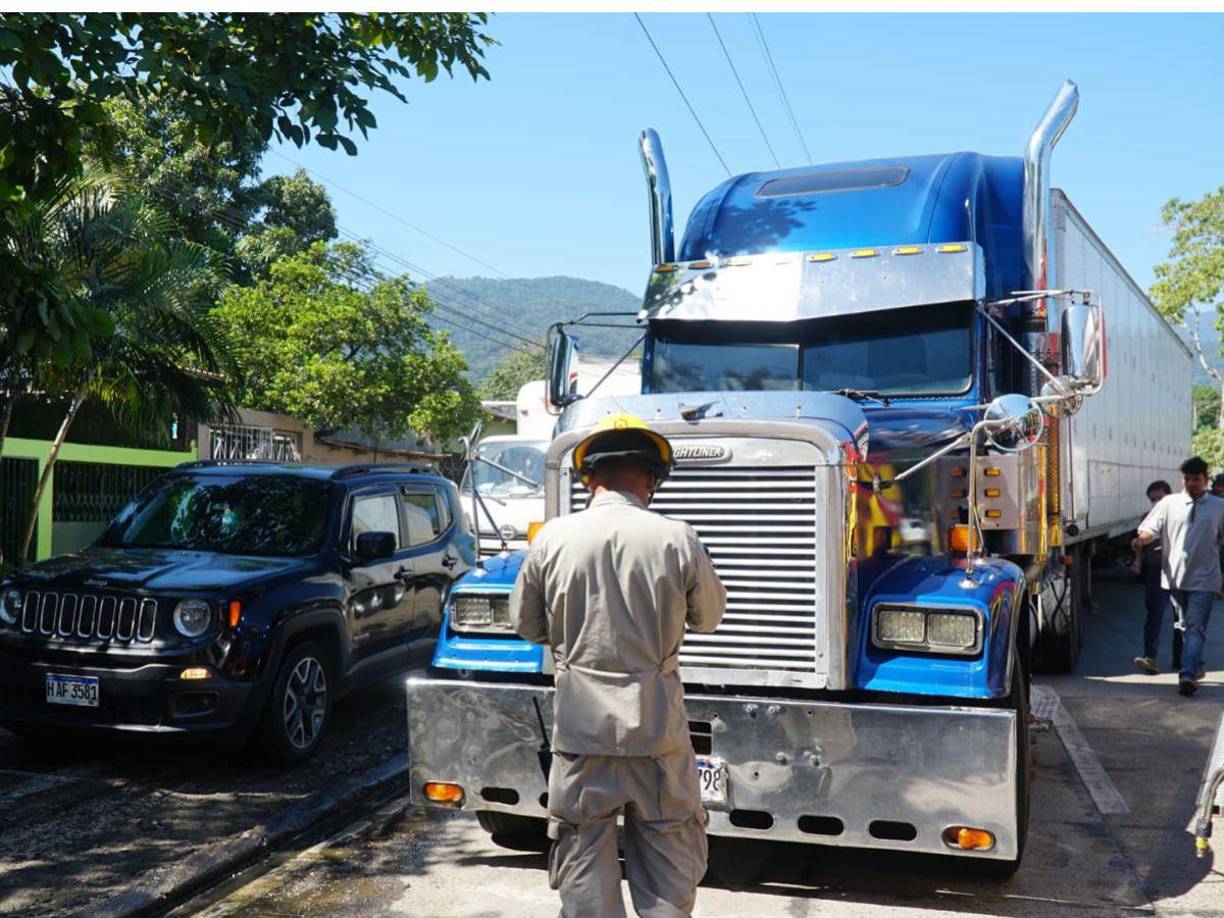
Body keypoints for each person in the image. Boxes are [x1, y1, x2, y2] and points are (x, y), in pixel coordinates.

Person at [510, 413, 726, 917]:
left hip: (581, 737)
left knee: (583, 868)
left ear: (589, 478)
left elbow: (527, 625)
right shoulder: (678, 537)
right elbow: (710, 618)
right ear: (651, 479)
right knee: (669, 865)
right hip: (657, 734)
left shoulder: (552, 539)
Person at [1133, 456, 1224, 696]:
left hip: (1206, 579)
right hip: (1174, 577)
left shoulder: (1218, 507)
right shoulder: (1169, 504)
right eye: (1187, 479)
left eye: (1196, 479)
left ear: (1205, 480)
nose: (1191, 483)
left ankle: (1187, 675)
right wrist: (1141, 540)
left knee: (1194, 626)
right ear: (1181, 480)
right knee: (1184, 626)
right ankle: (1196, 665)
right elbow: (1150, 529)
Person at [1132, 480, 1181, 674]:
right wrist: (1137, 561)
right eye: (1153, 499)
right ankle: (1150, 658)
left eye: (1160, 498)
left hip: (1178, 573)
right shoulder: (1148, 517)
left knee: (1181, 619)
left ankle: (1181, 659)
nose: (1157, 502)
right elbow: (1140, 543)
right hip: (1155, 572)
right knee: (1154, 615)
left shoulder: (1182, 515)